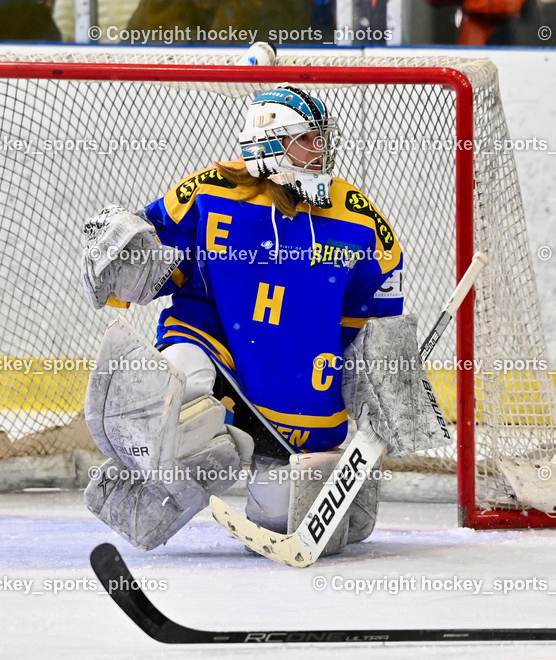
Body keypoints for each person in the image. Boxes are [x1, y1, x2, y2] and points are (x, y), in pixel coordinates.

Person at [77, 84, 440, 560]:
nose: (321, 150)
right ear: (269, 144)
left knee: (286, 518)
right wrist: (129, 255)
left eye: (321, 138)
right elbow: (163, 261)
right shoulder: (210, 189)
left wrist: (387, 377)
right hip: (213, 339)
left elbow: (376, 315)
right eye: (307, 139)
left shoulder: (358, 217)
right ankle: (157, 479)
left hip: (299, 380)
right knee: (177, 395)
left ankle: (323, 490)